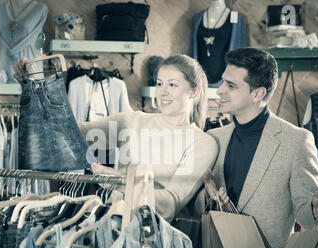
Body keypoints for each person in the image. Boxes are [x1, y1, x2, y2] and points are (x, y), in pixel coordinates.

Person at [13, 54, 218, 224]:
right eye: (159, 83)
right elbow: (68, 133)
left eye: (172, 84)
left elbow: (170, 203)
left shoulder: (202, 144)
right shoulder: (134, 121)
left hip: (159, 241)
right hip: (112, 229)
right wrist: (35, 89)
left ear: (195, 90)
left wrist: (121, 183)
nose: (163, 92)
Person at [202, 47, 318, 248]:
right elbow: (199, 206)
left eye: (231, 85)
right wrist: (207, 197)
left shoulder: (296, 141)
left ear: (258, 94)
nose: (219, 90)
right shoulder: (213, 138)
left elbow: (307, 216)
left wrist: (317, 208)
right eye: (222, 81)